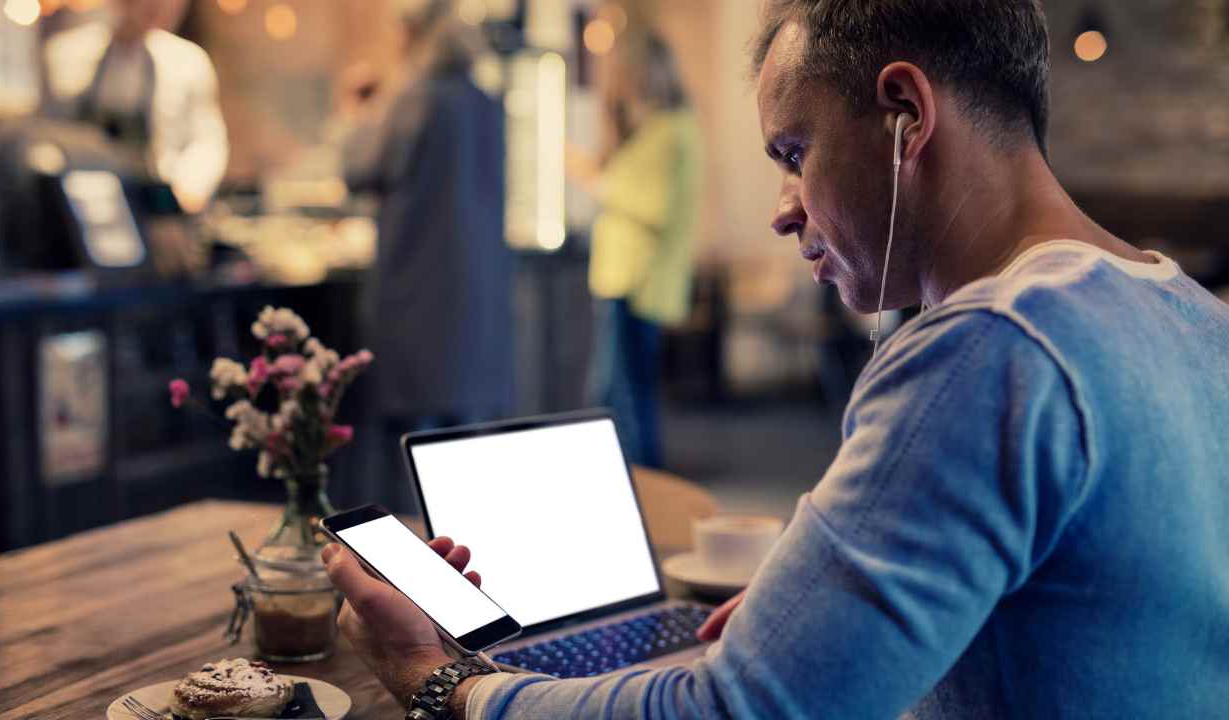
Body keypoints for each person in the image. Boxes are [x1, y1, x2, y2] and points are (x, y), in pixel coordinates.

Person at [323, 1, 1229, 717]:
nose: (782, 208)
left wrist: (446, 683)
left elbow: (739, 710)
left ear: (906, 113)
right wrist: (826, 615)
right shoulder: (1189, 311)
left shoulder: (992, 348)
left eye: (794, 154)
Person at [338, 0, 513, 511]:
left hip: (419, 298)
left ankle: (416, 578)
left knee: (415, 458)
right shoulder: (486, 101)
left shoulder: (413, 98)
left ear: (415, 36)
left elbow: (357, 167)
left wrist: (357, 108)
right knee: (466, 456)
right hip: (478, 301)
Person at [568, 30, 701, 469]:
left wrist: (594, 179)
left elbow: (651, 205)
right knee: (628, 392)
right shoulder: (665, 128)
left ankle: (639, 488)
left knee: (618, 395)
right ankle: (641, 486)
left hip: (635, 280)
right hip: (630, 278)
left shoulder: (667, 130)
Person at [44, 0, 228, 214]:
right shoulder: (65, 55)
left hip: (158, 208)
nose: (162, 6)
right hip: (87, 206)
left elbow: (207, 140)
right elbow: (49, 136)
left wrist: (190, 187)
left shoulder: (187, 62)